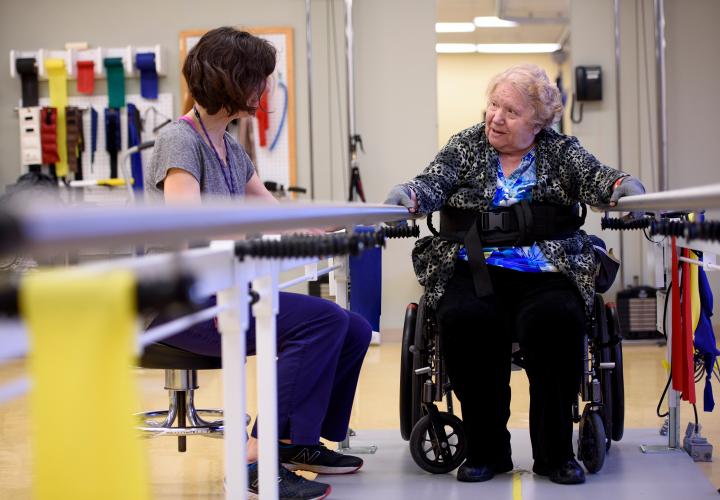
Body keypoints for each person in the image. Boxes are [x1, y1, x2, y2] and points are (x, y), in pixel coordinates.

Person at [384, 64, 645, 485]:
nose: (495, 117)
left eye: (510, 110)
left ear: (538, 122)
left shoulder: (561, 151)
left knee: (557, 321)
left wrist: (622, 185)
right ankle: (487, 451)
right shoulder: (467, 144)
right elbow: (434, 180)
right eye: (492, 104)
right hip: (474, 267)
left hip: (547, 268)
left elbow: (597, 177)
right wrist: (408, 196)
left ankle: (555, 453)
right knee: (466, 319)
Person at [146, 27, 371, 500]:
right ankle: (252, 458)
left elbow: (271, 211)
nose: (264, 90)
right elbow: (186, 226)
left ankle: (296, 444)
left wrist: (326, 229)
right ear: (232, 80)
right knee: (322, 322)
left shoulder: (230, 145)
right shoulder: (179, 141)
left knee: (350, 326)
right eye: (259, 80)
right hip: (181, 304)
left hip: (223, 291)